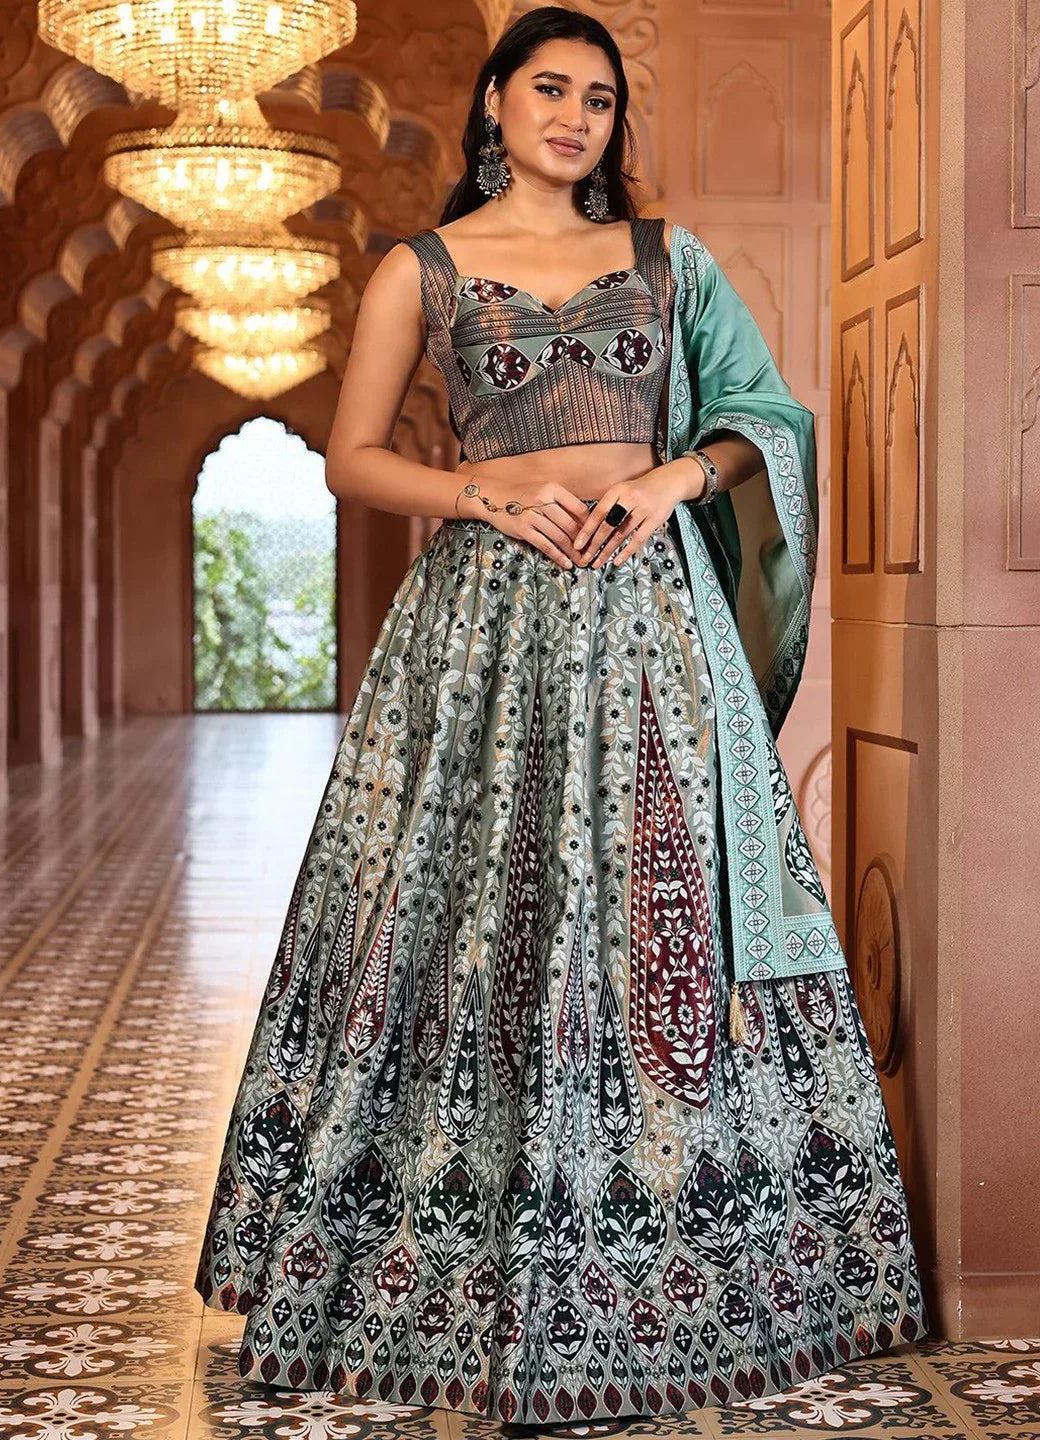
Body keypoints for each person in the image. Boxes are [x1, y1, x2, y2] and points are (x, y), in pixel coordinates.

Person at [193, 5, 929, 1426]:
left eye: (597, 97)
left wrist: (668, 486)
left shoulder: (671, 263)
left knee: (655, 912)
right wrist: (479, 495)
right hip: (485, 627)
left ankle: (696, 1261)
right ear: (492, 105)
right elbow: (351, 459)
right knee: (472, 911)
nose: (575, 117)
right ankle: (449, 1265)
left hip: (653, 620)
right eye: (548, 89)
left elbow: (768, 420)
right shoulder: (427, 268)